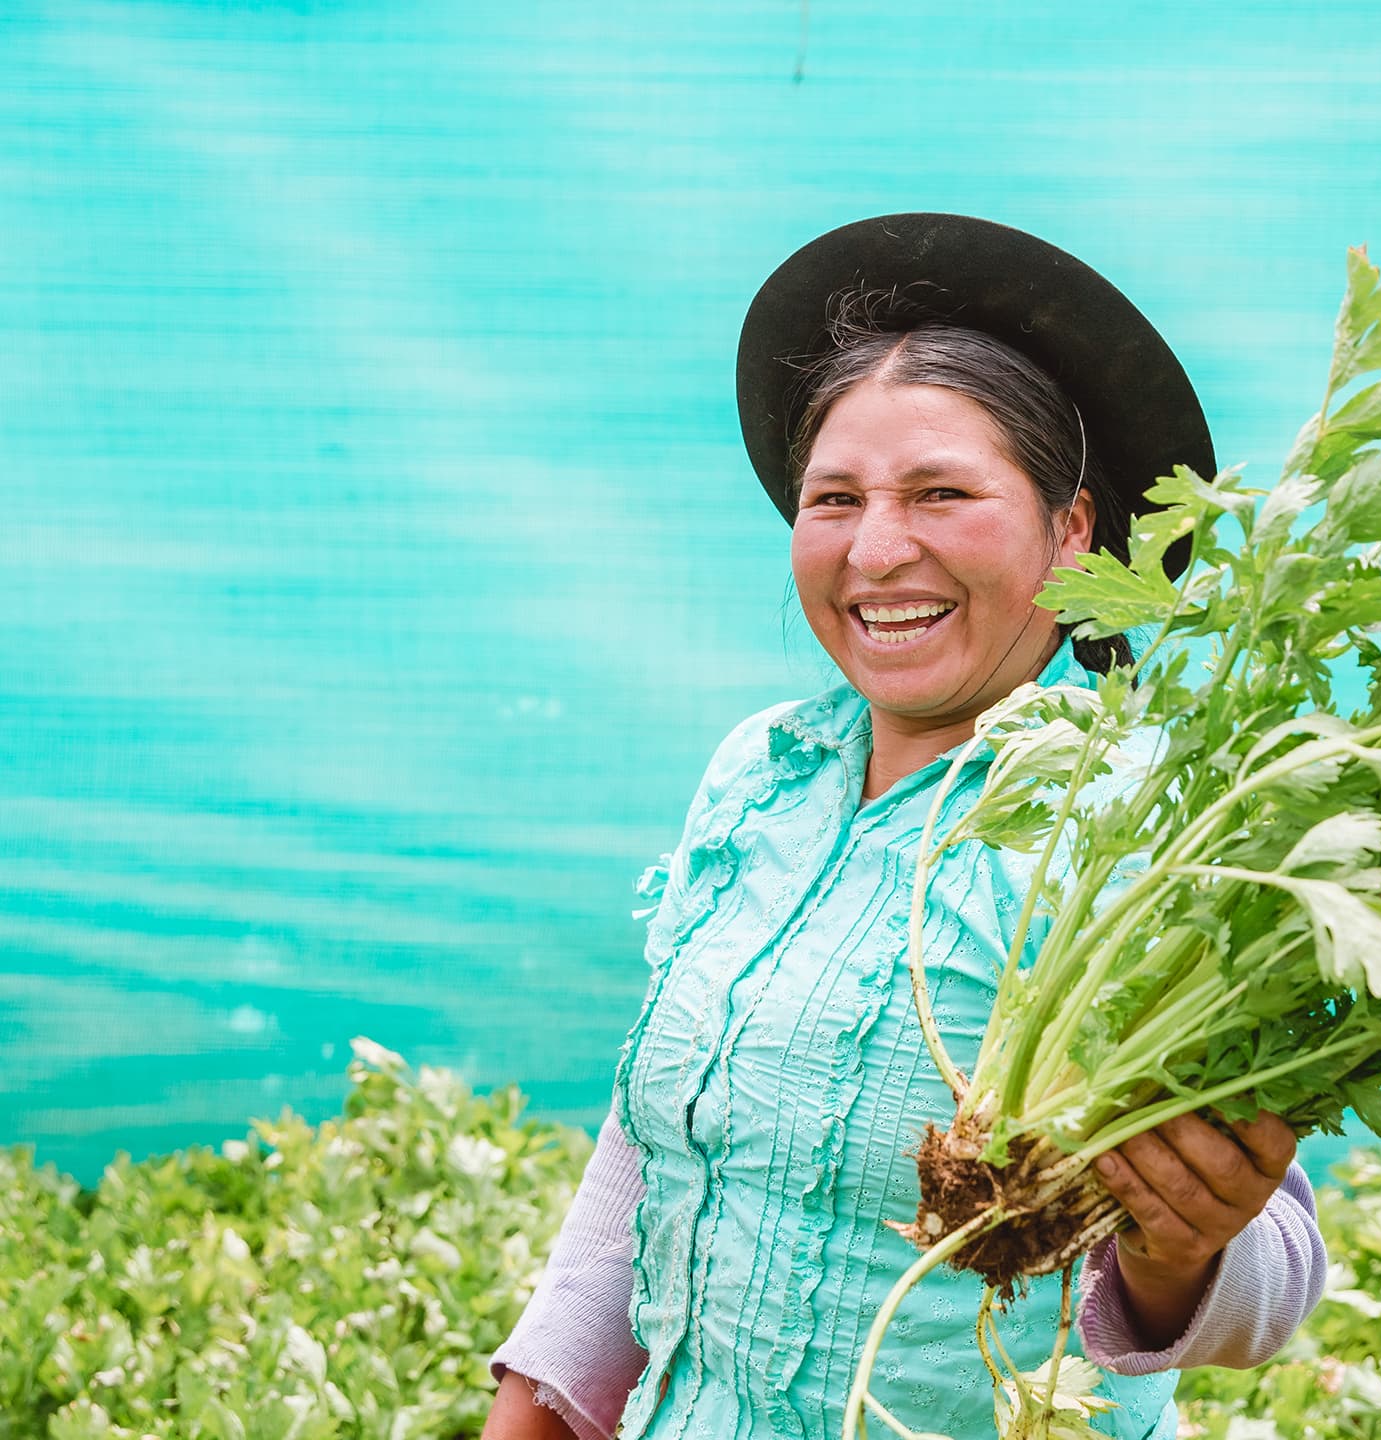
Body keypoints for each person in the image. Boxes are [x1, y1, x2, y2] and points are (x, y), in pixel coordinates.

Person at [482, 213, 1328, 1440]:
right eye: (836, 498)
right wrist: (533, 1411)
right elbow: (653, 1151)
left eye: (942, 492)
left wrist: (1186, 1246)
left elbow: (1274, 1282)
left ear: (1073, 528)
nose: (879, 551)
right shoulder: (760, 774)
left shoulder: (1155, 818)